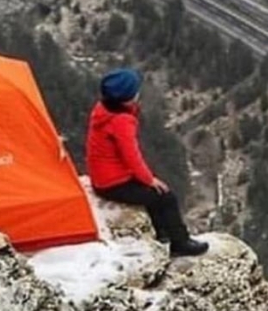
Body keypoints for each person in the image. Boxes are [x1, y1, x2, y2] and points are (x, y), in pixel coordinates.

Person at [86, 68, 209, 257]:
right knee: (165, 196)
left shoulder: (103, 110)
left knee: (153, 197)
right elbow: (131, 156)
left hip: (103, 178)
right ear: (129, 97)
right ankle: (180, 242)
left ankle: (162, 234)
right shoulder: (121, 121)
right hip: (113, 183)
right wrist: (149, 179)